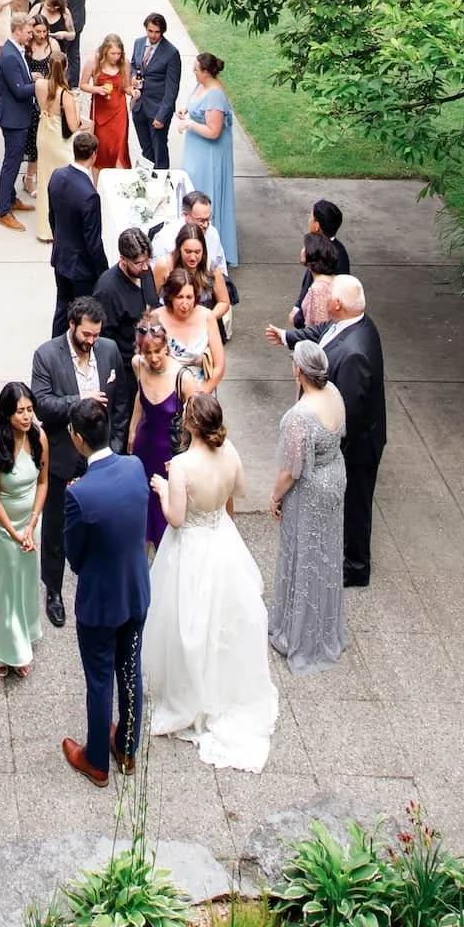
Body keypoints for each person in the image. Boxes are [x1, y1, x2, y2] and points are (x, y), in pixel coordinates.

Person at [144, 389, 279, 771]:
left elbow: (176, 519)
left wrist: (163, 488)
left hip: (191, 548)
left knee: (187, 619)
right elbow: (238, 491)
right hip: (221, 539)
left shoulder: (181, 465)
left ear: (190, 423)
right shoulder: (230, 452)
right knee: (221, 617)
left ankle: (188, 693)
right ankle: (219, 687)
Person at [61, 395, 152, 786]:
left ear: (78, 438)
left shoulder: (79, 495)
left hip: (99, 602)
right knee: (130, 671)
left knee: (100, 680)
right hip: (135, 591)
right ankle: (127, 750)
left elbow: (74, 556)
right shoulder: (134, 467)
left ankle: (96, 759)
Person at [30, 299, 123, 631]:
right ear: (72, 325)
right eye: (86, 334)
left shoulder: (109, 350)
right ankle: (53, 590)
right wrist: (79, 401)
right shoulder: (47, 355)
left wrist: (115, 444)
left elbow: (121, 401)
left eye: (96, 334)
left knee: (101, 523)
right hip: (63, 456)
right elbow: (42, 405)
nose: (92, 340)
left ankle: (98, 582)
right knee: (55, 528)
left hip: (100, 455)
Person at [268, 340, 349, 674]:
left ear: (298, 370)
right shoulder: (335, 393)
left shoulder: (300, 416)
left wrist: (275, 496)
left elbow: (290, 470)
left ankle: (298, 632)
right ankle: (324, 625)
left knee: (302, 553)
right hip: (335, 476)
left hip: (311, 489)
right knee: (326, 552)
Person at [320, 277, 387, 587]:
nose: (326, 298)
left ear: (338, 305)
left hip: (359, 448)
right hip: (362, 438)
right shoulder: (355, 323)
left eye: (329, 295)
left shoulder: (354, 355)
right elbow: (323, 335)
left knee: (356, 506)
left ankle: (355, 567)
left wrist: (330, 453)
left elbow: (346, 413)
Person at [0, 381, 47, 677]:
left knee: (27, 580)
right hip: (3, 526)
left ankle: (23, 636)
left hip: (30, 522)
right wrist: (14, 533)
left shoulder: (39, 437)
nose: (26, 416)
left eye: (29, 409)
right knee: (6, 586)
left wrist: (32, 524)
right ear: (7, 413)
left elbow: (43, 482)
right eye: (20, 411)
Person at [127, 318, 192, 551]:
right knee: (143, 515)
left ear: (167, 346)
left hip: (169, 454)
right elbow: (139, 396)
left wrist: (187, 458)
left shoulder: (183, 378)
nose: (153, 358)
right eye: (148, 353)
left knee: (167, 518)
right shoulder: (138, 364)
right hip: (144, 448)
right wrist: (132, 431)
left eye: (158, 351)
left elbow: (196, 423)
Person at [91, 228, 158, 446]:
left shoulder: (145, 273)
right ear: (123, 259)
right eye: (139, 263)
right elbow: (102, 341)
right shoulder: (107, 290)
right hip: (126, 373)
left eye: (147, 261)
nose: (145, 267)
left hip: (151, 361)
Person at [176, 52, 237, 267]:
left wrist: (189, 124)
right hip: (196, 150)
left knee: (204, 192)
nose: (193, 72)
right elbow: (195, 104)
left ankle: (207, 247)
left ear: (206, 72)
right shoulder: (201, 85)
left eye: (196, 70)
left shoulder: (215, 96)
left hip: (209, 154)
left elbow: (214, 131)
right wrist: (186, 110)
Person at [47, 127, 107, 335]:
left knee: (62, 308)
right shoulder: (90, 195)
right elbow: (93, 242)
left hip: (61, 257)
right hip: (81, 269)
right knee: (83, 316)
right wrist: (104, 272)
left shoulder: (57, 176)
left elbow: (52, 216)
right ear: (93, 155)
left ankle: (55, 345)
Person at [149, 264, 225, 394]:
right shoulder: (155, 319)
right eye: (179, 297)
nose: (185, 304)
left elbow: (219, 366)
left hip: (201, 392)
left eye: (189, 297)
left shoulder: (207, 316)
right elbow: (145, 362)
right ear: (170, 296)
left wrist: (198, 396)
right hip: (165, 392)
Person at [0, 15, 38, 230]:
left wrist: (31, 78)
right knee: (11, 163)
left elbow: (20, 81)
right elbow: (19, 91)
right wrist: (39, 85)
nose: (31, 36)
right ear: (18, 30)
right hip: (13, 119)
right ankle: (3, 211)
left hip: (17, 116)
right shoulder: (10, 56)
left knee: (14, 159)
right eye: (28, 32)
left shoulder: (14, 51)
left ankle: (11, 198)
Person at [30, 53, 79, 244]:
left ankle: (44, 229)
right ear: (65, 68)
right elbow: (73, 126)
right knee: (66, 184)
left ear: (49, 67)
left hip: (44, 134)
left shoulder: (39, 85)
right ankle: (63, 228)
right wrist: (77, 107)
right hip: (60, 139)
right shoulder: (66, 95)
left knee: (44, 180)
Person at [267, 232, 340, 346]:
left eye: (305, 247)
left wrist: (286, 337)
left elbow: (319, 331)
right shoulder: (331, 281)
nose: (302, 250)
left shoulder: (318, 290)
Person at [130, 14, 182, 172]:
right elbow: (133, 65)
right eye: (150, 31)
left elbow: (172, 88)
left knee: (159, 152)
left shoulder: (171, 53)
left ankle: (162, 180)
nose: (153, 35)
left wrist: (162, 116)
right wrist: (133, 77)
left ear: (162, 31)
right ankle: (147, 180)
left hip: (157, 110)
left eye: (157, 32)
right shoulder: (139, 43)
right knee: (146, 150)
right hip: (139, 107)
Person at [151, 188, 228, 281]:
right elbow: (155, 274)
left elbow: (221, 266)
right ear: (186, 215)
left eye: (208, 219)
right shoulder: (165, 237)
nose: (206, 225)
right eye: (201, 220)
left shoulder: (212, 232)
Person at [82, 33, 131, 168]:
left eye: (118, 54)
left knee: (119, 147)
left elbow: (126, 87)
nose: (116, 57)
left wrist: (133, 91)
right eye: (112, 54)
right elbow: (83, 85)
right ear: (105, 51)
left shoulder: (124, 62)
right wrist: (97, 89)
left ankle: (119, 176)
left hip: (119, 111)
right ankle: (99, 180)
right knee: (102, 148)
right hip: (101, 110)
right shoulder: (93, 61)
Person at [154, 219, 220, 313]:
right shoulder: (163, 266)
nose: (193, 257)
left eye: (197, 252)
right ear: (179, 249)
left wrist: (208, 318)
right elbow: (150, 302)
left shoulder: (210, 267)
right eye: (188, 252)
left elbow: (223, 302)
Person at [38, 0, 78, 82]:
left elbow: (73, 34)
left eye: (55, 7)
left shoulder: (65, 12)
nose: (52, 9)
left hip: (58, 53)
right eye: (49, 6)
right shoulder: (38, 8)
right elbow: (27, 26)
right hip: (40, 51)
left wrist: (64, 34)